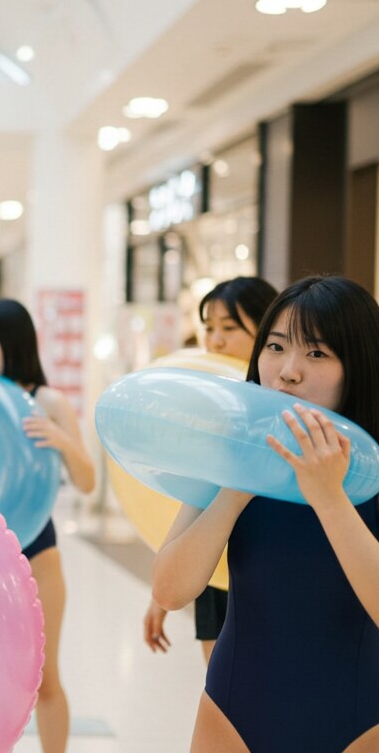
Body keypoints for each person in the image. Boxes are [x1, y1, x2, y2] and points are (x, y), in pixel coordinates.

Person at [151, 275, 379, 752]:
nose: (288, 371)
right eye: (275, 347)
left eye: (316, 353)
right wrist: (237, 488)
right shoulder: (231, 451)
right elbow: (170, 590)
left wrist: (330, 498)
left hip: (358, 724)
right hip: (230, 712)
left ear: (359, 365)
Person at [0, 298, 95, 753]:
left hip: (36, 548)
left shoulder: (46, 400)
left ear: (13, 343)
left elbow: (87, 481)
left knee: (45, 676)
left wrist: (60, 440)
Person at [143, 276, 278, 662]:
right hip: (215, 565)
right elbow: (197, 495)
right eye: (209, 328)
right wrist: (161, 595)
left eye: (229, 328)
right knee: (221, 683)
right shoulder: (214, 411)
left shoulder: (287, 407)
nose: (215, 341)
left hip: (272, 569)